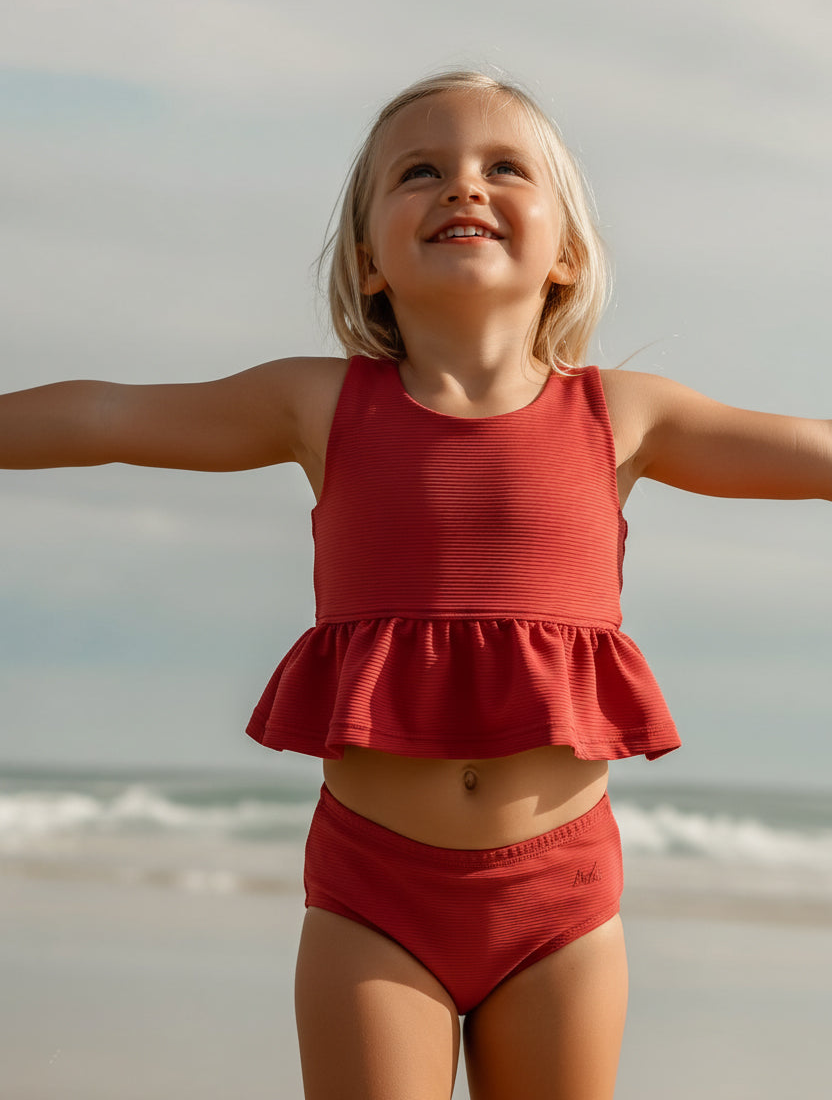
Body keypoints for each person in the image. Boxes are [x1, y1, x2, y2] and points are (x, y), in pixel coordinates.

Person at [2, 70, 830, 1100]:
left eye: (503, 168)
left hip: (561, 899)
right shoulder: (317, 403)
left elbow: (816, 454)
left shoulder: (622, 415)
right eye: (421, 171)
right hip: (373, 895)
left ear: (566, 254)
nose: (463, 189)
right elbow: (106, 421)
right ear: (369, 262)